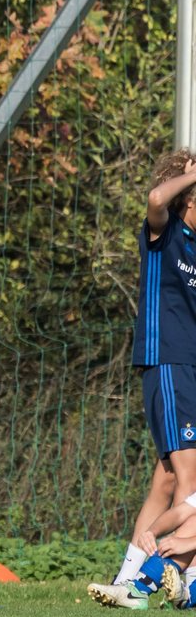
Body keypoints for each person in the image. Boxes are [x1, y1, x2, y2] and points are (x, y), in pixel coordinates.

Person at [96, 151, 196, 593]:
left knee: (168, 479)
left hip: (189, 367)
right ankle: (156, 577)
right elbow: (156, 197)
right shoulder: (166, 232)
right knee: (190, 478)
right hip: (168, 363)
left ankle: (128, 574)